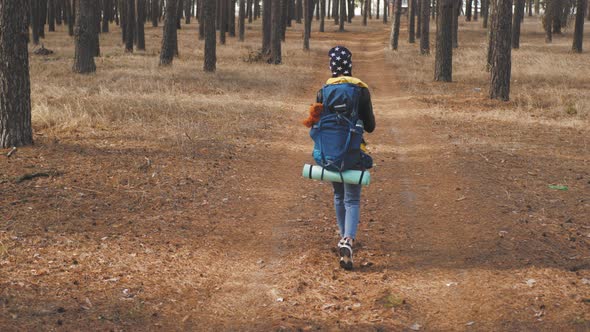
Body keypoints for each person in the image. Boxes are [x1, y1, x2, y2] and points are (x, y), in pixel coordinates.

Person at [314, 46, 375, 270]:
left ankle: (343, 237)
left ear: (331, 66)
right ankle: (348, 239)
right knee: (352, 199)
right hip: (354, 152)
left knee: (339, 195)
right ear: (350, 65)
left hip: (331, 154)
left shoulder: (323, 91)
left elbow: (317, 123)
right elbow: (371, 126)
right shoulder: (360, 90)